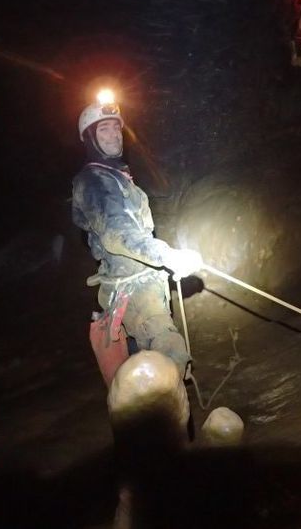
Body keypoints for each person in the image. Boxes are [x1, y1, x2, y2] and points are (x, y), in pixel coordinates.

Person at [72, 92, 203, 383]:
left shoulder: (116, 176)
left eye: (116, 126)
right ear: (90, 138)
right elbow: (117, 235)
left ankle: (152, 424)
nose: (113, 134)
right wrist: (169, 257)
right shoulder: (95, 181)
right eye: (103, 129)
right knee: (170, 361)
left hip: (140, 286)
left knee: (141, 367)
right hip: (133, 291)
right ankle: (162, 425)